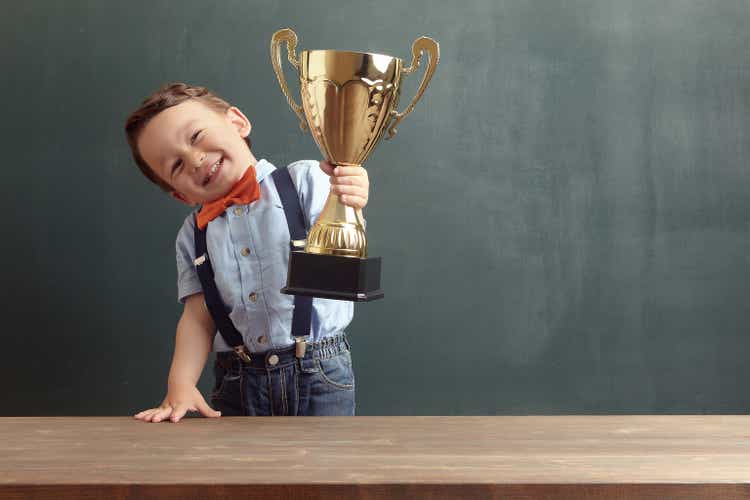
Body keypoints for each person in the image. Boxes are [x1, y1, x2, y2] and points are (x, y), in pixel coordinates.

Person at [124, 82, 369, 421]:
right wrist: (179, 383)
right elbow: (199, 315)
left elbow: (342, 274)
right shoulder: (192, 236)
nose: (194, 159)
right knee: (240, 472)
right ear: (181, 195)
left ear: (237, 122)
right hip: (238, 381)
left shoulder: (306, 182)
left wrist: (349, 201)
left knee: (323, 470)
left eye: (195, 136)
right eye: (176, 166)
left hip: (318, 371)